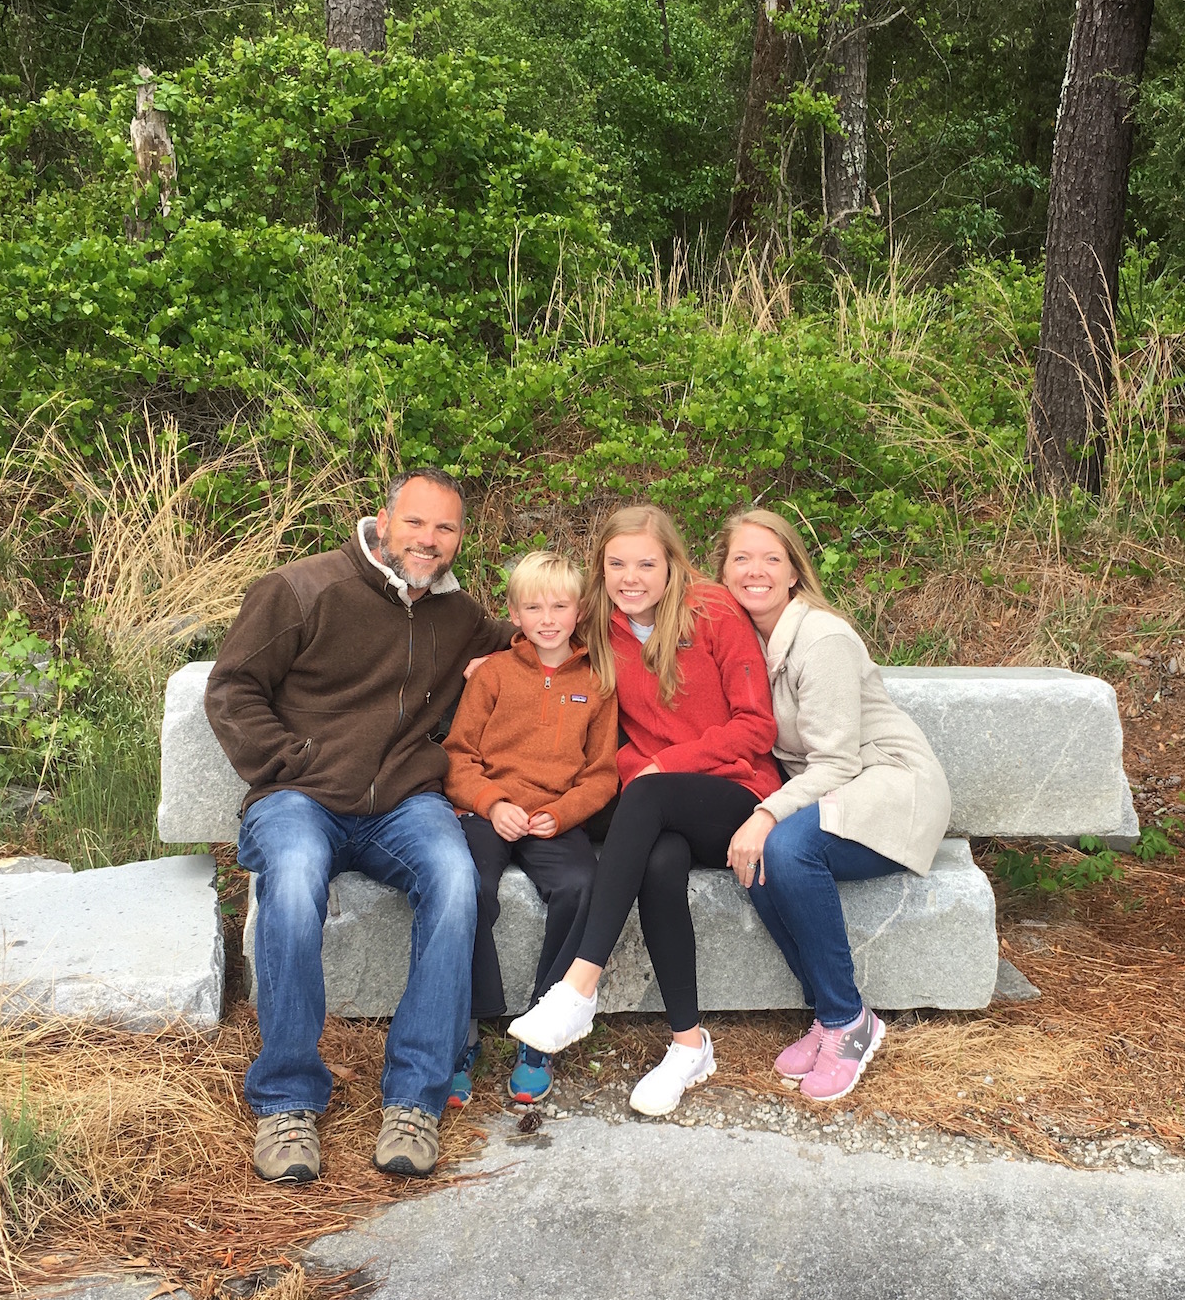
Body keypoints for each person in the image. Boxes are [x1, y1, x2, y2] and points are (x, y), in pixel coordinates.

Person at [205, 469, 513, 1183]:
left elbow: (533, 634)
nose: (429, 540)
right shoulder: (301, 590)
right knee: (292, 878)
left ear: (460, 539)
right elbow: (233, 689)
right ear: (383, 519)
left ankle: (414, 1099)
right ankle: (286, 1101)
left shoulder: (456, 613)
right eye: (417, 524)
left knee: (456, 878)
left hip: (403, 804)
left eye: (446, 529)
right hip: (299, 797)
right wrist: (289, 761)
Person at [508, 503, 780, 1117]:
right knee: (659, 861)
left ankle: (579, 985)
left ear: (673, 565)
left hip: (734, 792)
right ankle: (690, 1045)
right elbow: (536, 626)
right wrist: (481, 661)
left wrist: (666, 766)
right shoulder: (601, 625)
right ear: (600, 568)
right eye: (617, 564)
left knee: (647, 794)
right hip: (659, 809)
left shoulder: (713, 612)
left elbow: (756, 727)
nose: (631, 577)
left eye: (647, 564)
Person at [716, 508, 952, 1102]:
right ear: (722, 571)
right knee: (754, 859)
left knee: (784, 848)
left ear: (795, 572)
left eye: (771, 558)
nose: (755, 571)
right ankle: (830, 1015)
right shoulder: (746, 640)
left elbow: (838, 761)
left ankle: (848, 1021)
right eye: (741, 558)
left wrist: (766, 812)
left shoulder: (820, 638)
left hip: (891, 789)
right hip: (836, 791)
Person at [442, 551, 618, 1105]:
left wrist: (563, 814)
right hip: (489, 812)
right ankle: (467, 1027)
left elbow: (602, 774)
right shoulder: (493, 673)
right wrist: (492, 803)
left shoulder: (597, 681)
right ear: (514, 613)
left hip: (555, 818)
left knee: (581, 886)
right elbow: (457, 757)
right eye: (533, 606)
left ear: (580, 611)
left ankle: (543, 1024)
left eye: (560, 606)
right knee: (468, 887)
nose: (547, 617)